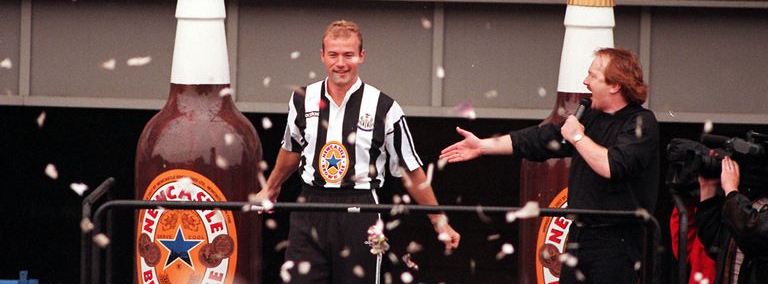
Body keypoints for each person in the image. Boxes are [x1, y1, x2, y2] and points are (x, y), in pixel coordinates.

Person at [256, 20, 460, 284]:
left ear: (361, 56)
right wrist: (271, 188)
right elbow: (292, 148)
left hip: (360, 210)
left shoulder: (385, 107)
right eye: (334, 54)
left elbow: (410, 169)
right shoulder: (301, 99)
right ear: (322, 56)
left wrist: (438, 220)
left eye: (348, 55)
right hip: (309, 207)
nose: (341, 63)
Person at [440, 47, 659, 284]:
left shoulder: (641, 122)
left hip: (617, 239)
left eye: (593, 76)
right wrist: (482, 146)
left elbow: (611, 166)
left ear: (615, 85)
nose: (585, 82)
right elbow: (539, 140)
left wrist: (578, 138)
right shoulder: (591, 117)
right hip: (579, 234)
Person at [696, 156, 768, 284]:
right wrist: (708, 188)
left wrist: (731, 190)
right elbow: (717, 246)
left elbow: (751, 233)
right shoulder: (754, 200)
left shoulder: (741, 205)